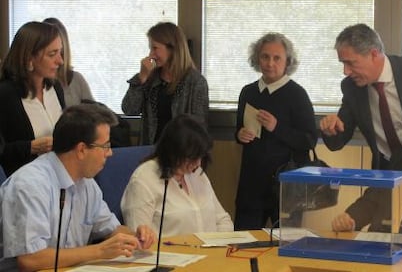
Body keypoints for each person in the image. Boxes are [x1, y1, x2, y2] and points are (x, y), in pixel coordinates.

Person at [0, 104, 155, 271]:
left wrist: (135, 236)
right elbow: (31, 259)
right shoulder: (29, 185)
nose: (110, 153)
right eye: (106, 146)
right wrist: (99, 251)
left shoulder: (87, 183)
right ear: (81, 150)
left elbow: (110, 228)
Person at [319, 24, 402, 232]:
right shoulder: (352, 87)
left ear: (374, 54)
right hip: (387, 176)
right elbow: (338, 138)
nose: (346, 71)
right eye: (342, 63)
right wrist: (330, 129)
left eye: (351, 63)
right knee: (378, 240)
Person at [234, 32, 317, 230]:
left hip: (286, 187)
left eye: (276, 57)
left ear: (287, 61)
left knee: (284, 246)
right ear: (257, 59)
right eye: (265, 56)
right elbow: (238, 128)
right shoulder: (248, 92)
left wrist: (276, 127)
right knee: (243, 241)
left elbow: (309, 140)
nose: (270, 63)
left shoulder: (297, 94)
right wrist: (239, 135)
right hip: (251, 185)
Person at [121, 113, 233, 237]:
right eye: (191, 158)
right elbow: (139, 238)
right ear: (173, 152)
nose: (198, 163)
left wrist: (220, 247)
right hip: (170, 254)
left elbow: (223, 220)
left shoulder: (196, 173)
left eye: (200, 156)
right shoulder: (144, 180)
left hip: (212, 252)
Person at [121, 22, 209, 145]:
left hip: (180, 154)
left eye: (155, 48)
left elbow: (198, 127)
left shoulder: (195, 82)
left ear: (172, 48)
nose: (151, 54)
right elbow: (129, 109)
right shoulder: (151, 78)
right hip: (150, 152)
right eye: (150, 48)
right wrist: (141, 78)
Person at [0, 21, 65, 176]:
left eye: (60, 52)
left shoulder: (55, 88)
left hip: (57, 176)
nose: (60, 61)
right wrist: (31, 147)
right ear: (29, 57)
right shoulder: (5, 94)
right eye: (52, 54)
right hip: (23, 181)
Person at [43, 17, 95, 106]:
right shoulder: (34, 84)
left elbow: (94, 114)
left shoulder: (76, 80)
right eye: (51, 53)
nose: (59, 60)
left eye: (57, 51)